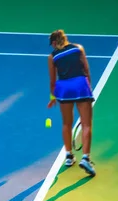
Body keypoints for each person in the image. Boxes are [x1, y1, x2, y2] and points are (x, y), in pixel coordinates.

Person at [47, 29, 96, 176]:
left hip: (64, 89)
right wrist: (88, 89)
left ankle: (69, 156)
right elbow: (86, 71)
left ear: (55, 42)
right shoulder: (79, 48)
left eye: (52, 44)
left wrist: (52, 98)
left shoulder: (52, 57)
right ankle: (86, 158)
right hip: (81, 86)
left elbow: (52, 80)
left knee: (66, 124)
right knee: (87, 124)